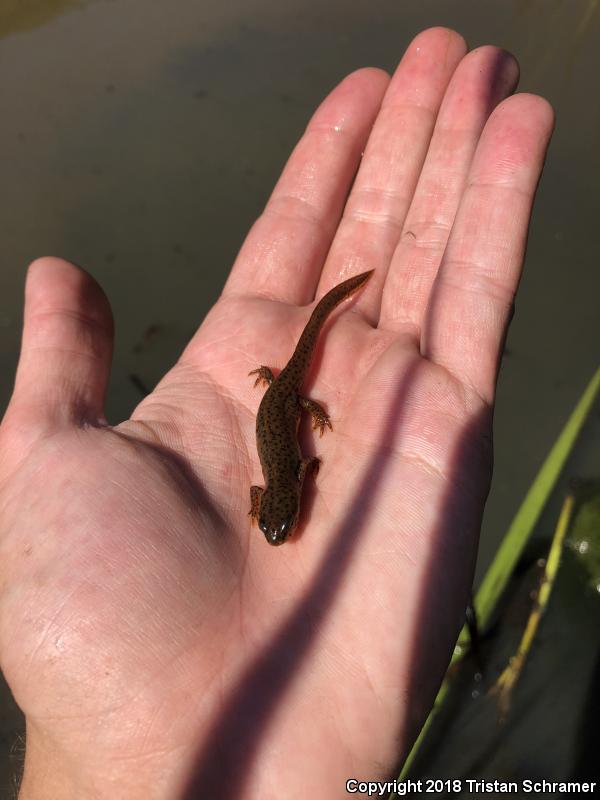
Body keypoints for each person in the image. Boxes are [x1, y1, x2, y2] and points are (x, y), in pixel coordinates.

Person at [0, 27, 553, 800]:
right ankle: (319, 324)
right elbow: (292, 473)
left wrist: (305, 408)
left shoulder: (287, 477)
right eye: (281, 524)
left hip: (280, 396)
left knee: (311, 346)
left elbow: (295, 466)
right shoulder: (286, 484)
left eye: (279, 522)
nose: (280, 526)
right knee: (302, 358)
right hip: (274, 397)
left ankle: (328, 314)